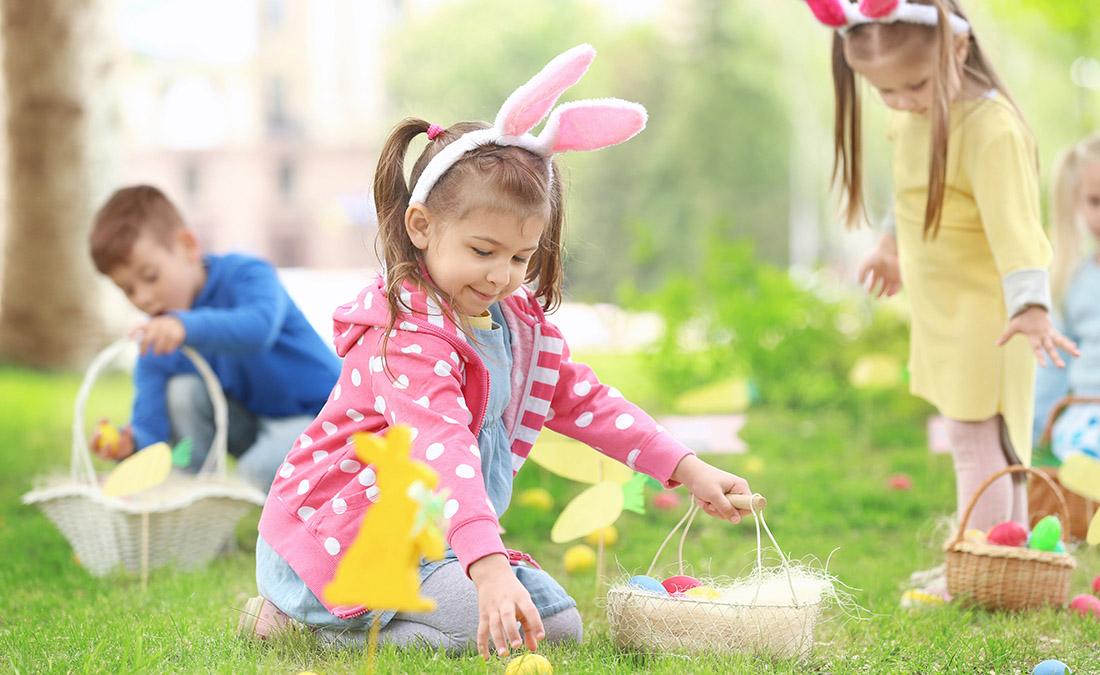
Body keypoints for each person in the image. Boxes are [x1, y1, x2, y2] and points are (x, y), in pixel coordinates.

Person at [240, 45, 754, 660]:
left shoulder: (514, 324)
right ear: (422, 226)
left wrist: (689, 469)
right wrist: (488, 571)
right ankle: (302, 620)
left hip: (440, 537)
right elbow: (441, 448)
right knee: (485, 631)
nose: (500, 276)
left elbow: (587, 401)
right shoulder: (406, 337)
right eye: (482, 251)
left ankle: (421, 599)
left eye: (519, 257)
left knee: (557, 627)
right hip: (348, 539)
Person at [801, 0, 1078, 599]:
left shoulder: (989, 126)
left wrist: (1030, 304)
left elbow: (1016, 226)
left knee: (980, 441)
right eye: (884, 92)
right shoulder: (917, 113)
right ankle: (999, 558)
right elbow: (915, 192)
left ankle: (976, 566)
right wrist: (889, 249)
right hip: (946, 315)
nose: (902, 102)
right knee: (980, 439)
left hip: (990, 315)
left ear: (957, 47)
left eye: (914, 85)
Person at [88, 185, 341, 491]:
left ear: (187, 246)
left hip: (324, 417)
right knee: (182, 392)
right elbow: (153, 430)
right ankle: (193, 495)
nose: (142, 297)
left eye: (150, 276)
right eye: (127, 289)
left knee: (255, 471)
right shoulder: (158, 340)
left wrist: (185, 327)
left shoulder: (246, 274)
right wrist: (131, 444)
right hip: (254, 425)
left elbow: (258, 328)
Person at [1033, 134, 1100, 461]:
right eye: (1096, 202)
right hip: (1090, 414)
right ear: (1076, 202)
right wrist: (1031, 429)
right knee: (1083, 446)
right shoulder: (1072, 282)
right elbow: (1053, 366)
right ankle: (1088, 491)